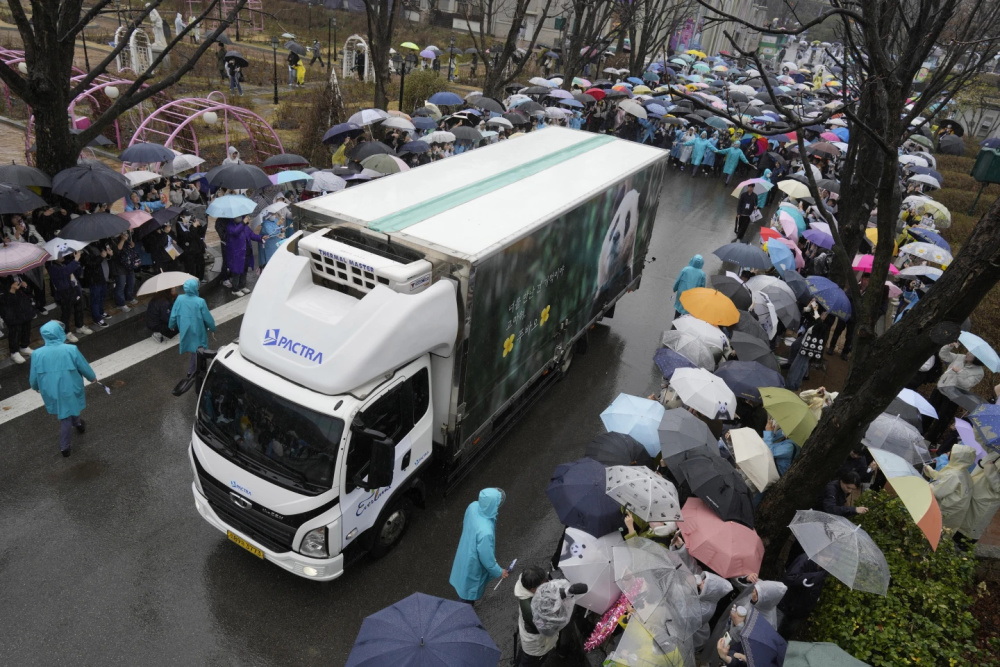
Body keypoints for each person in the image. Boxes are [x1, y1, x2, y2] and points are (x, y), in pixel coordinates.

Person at [29, 320, 97, 457]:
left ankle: (77, 425)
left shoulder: (37, 354)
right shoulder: (70, 349)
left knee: (65, 412)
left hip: (51, 390)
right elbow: (83, 366)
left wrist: (35, 386)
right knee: (68, 412)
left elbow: (34, 375)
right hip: (70, 387)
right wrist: (92, 377)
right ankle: (66, 444)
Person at [449, 487, 509, 604]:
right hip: (473, 564)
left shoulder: (473, 506)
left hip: (464, 551)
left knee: (462, 582)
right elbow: (487, 558)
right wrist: (499, 571)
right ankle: (463, 615)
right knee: (467, 594)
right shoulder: (485, 531)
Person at [927, 343, 985, 441]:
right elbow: (943, 355)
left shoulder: (979, 372)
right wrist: (949, 346)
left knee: (942, 419)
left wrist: (959, 372)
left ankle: (930, 440)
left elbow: (966, 384)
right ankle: (920, 430)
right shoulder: (960, 357)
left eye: (971, 353)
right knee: (929, 411)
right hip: (941, 388)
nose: (967, 353)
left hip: (954, 397)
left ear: (977, 358)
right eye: (969, 351)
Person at [168, 278, 216, 376]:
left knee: (194, 350)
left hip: (185, 328)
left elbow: (173, 314)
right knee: (200, 349)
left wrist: (171, 325)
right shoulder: (200, 301)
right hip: (198, 330)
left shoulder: (180, 298)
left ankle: (191, 371)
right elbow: (207, 318)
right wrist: (212, 328)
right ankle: (201, 370)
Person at [924, 444, 975, 533]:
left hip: (946, 510)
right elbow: (944, 479)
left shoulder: (954, 474)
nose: (948, 453)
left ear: (959, 457)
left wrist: (923, 485)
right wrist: (931, 471)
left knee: (933, 530)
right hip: (955, 511)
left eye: (952, 452)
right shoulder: (963, 471)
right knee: (943, 532)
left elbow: (937, 491)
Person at [514, 565, 557, 666]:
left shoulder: (524, 582)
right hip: (536, 644)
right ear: (533, 589)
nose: (547, 584)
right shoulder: (531, 610)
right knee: (530, 662)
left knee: (523, 656)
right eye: (543, 584)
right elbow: (546, 628)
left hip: (527, 633)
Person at [957, 453, 1000, 547]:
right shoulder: (996, 449)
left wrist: (990, 471)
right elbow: (982, 440)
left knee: (970, 529)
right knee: (961, 523)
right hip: (974, 491)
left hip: (986, 500)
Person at [47, 250, 91, 342]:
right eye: (59, 255)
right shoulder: (52, 268)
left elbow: (77, 273)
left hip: (74, 289)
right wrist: (75, 260)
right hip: (64, 293)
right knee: (66, 313)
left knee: (79, 308)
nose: (62, 256)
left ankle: (80, 326)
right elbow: (65, 272)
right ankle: (66, 332)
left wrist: (76, 263)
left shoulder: (65, 263)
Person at [0, 276, 36, 363]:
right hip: (10, 312)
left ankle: (24, 346)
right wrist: (12, 290)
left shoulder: (14, 276)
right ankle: (14, 352)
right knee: (15, 331)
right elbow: (4, 302)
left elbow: (28, 292)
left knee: (26, 327)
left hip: (23, 308)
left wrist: (25, 286)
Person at [224, 216, 262, 296]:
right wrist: (243, 223)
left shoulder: (244, 226)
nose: (240, 217)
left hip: (246, 252)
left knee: (244, 270)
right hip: (237, 253)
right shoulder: (230, 226)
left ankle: (242, 286)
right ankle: (235, 289)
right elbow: (235, 232)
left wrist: (261, 238)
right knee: (237, 271)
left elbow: (251, 235)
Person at [672, 254, 706, 318]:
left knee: (679, 307)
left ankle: (675, 320)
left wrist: (675, 288)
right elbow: (702, 287)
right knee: (688, 309)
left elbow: (678, 280)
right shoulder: (702, 274)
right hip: (693, 295)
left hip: (682, 292)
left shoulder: (685, 269)